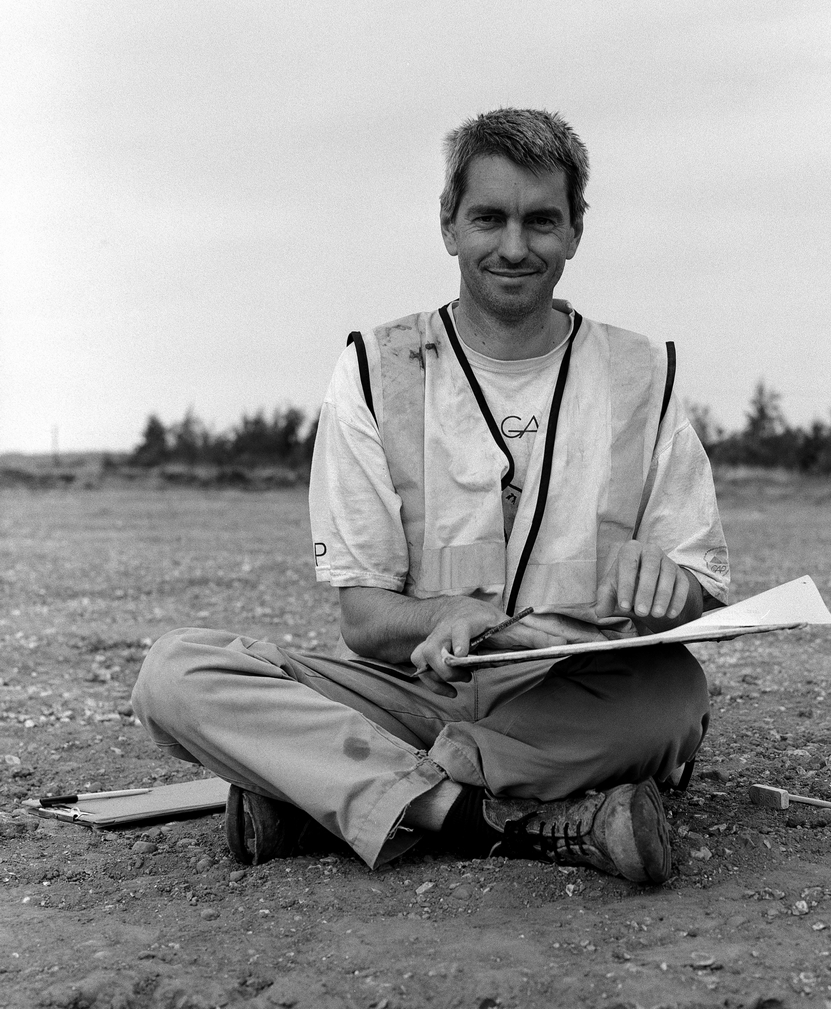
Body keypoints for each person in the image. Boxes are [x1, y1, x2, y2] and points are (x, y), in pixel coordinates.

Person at [132, 108, 729, 885]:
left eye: (541, 221)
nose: (513, 247)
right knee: (176, 674)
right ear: (448, 224)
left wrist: (670, 592)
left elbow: (699, 598)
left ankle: (339, 794)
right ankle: (490, 817)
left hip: (570, 697)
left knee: (676, 690)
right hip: (416, 693)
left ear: (576, 230)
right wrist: (443, 616)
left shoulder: (641, 372)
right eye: (489, 218)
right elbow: (364, 620)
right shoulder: (376, 369)